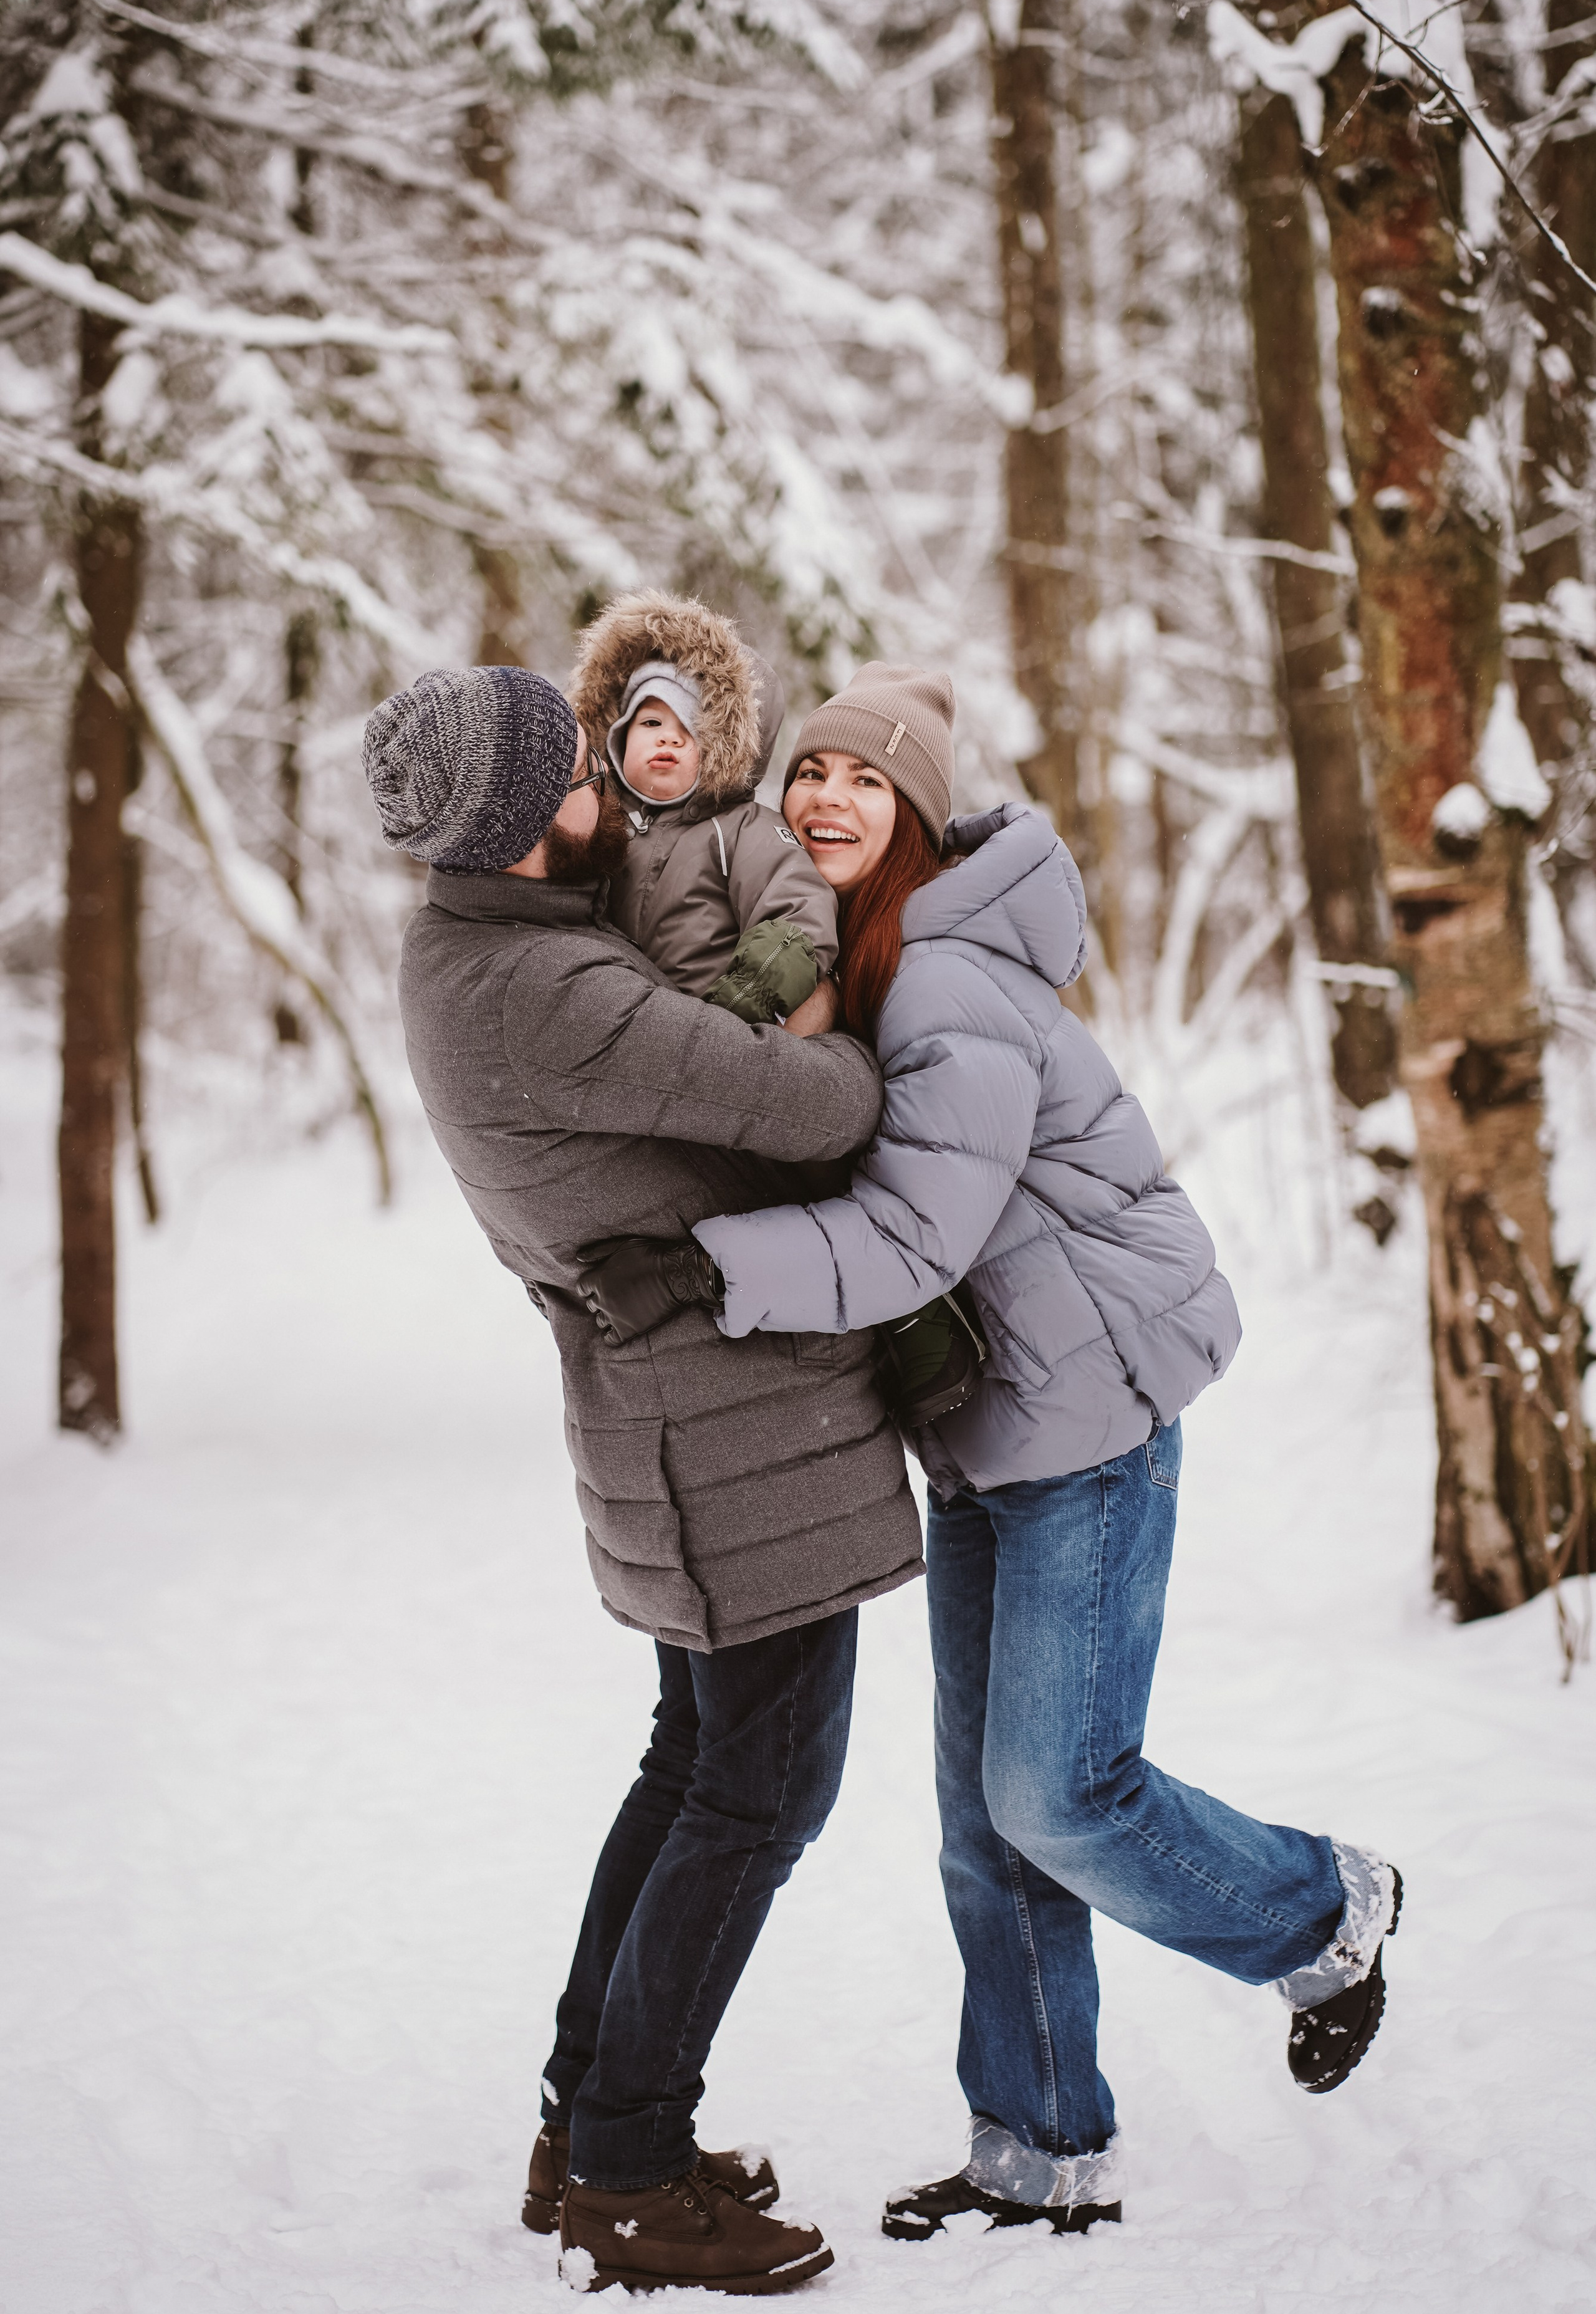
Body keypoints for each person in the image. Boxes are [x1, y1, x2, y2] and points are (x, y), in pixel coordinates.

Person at [579, 663, 1403, 2245]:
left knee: (1057, 1792)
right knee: (981, 1811)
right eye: (807, 771)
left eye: (860, 782)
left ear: (913, 816)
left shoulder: (947, 985)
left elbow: (907, 1232)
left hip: (1085, 1413)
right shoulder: (858, 964)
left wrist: (706, 1267)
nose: (821, 796)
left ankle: (1323, 1908)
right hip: (980, 1424)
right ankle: (1035, 2147)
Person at [362, 663, 923, 2295]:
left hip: (681, 1422)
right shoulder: (556, 993)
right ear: (537, 820)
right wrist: (843, 1031)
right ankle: (626, 2171)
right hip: (729, 1434)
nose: (607, 769)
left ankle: (579, 2123)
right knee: (760, 1790)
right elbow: (817, 1106)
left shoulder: (481, 943)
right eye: (577, 766)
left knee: (694, 1768)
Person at [567, 588, 839, 1028]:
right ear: (617, 737)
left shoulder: (740, 830)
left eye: (690, 729)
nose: (668, 739)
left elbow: (799, 912)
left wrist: (744, 1001)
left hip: (708, 1024)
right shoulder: (596, 815)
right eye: (651, 722)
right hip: (613, 1021)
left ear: (722, 749)